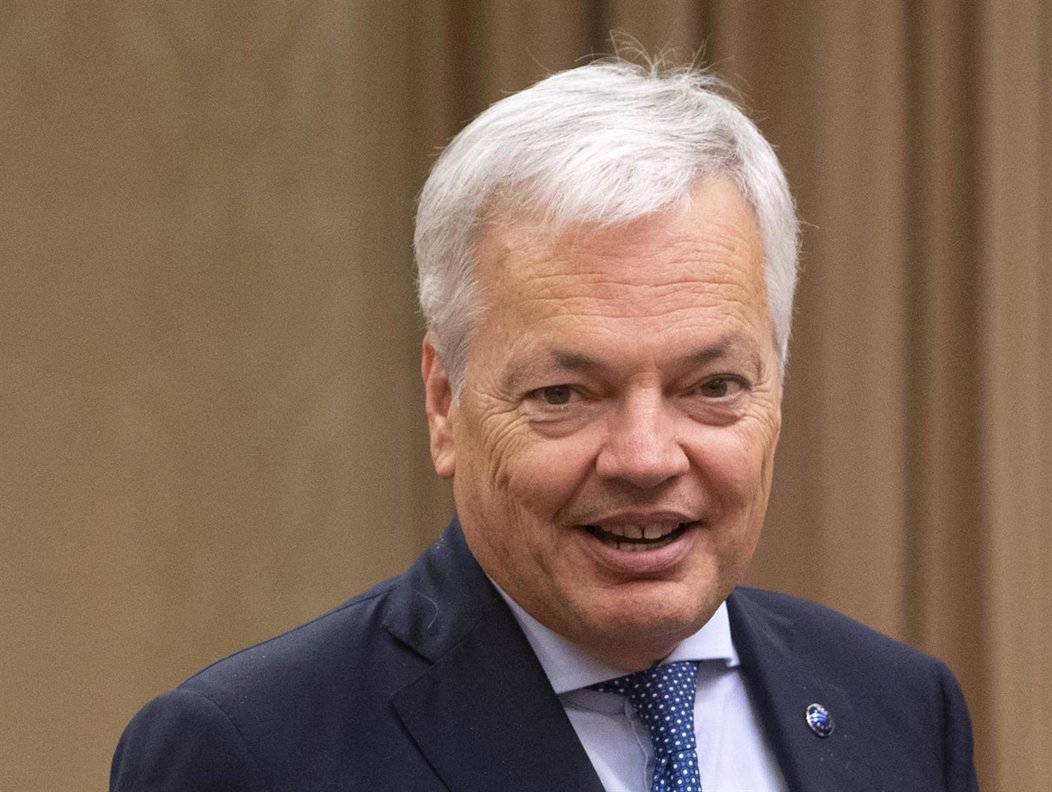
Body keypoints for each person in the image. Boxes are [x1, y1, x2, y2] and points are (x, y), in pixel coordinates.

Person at [111, 57, 979, 791]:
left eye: (712, 387)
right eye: (565, 394)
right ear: (444, 402)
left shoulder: (902, 711)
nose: (646, 458)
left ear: (776, 393)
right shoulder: (253, 753)